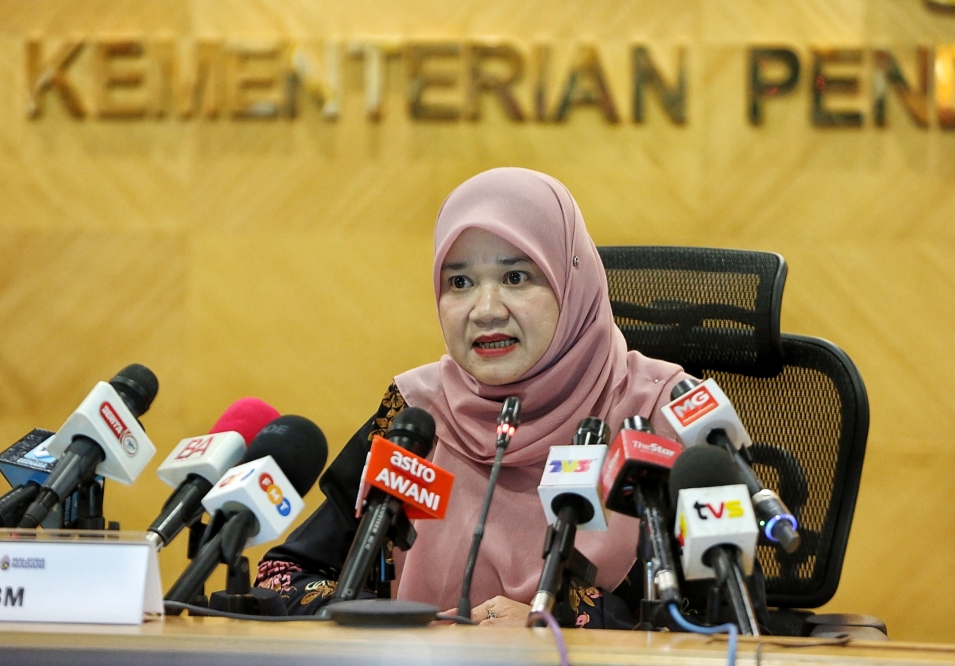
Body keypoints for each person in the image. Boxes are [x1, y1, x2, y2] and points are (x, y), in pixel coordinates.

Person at [256, 167, 751, 628]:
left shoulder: (668, 415)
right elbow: (283, 575)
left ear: (572, 282)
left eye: (516, 277)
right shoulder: (417, 413)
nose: (485, 310)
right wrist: (395, 623)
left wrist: (558, 626)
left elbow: (729, 619)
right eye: (460, 282)